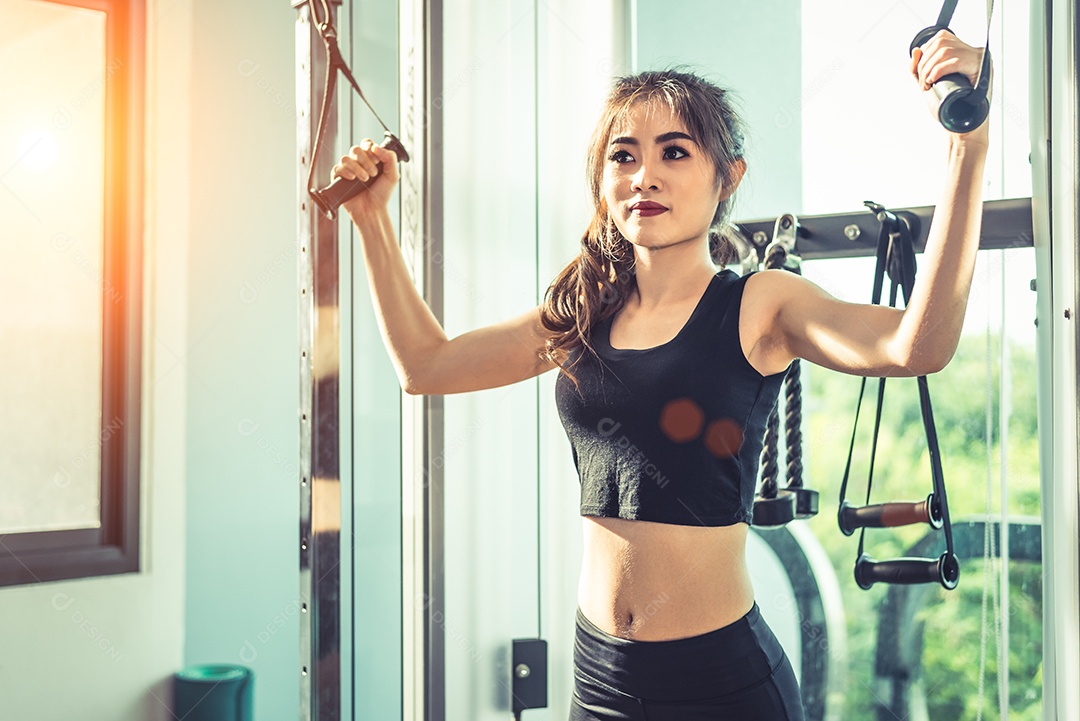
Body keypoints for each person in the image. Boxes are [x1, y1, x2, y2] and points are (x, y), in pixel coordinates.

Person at [330, 29, 990, 721]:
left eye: (674, 152)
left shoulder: (759, 303)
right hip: (601, 681)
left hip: (722, 685)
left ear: (726, 176)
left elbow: (919, 345)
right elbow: (426, 366)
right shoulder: (585, 308)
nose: (644, 175)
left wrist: (964, 143)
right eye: (624, 156)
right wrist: (372, 218)